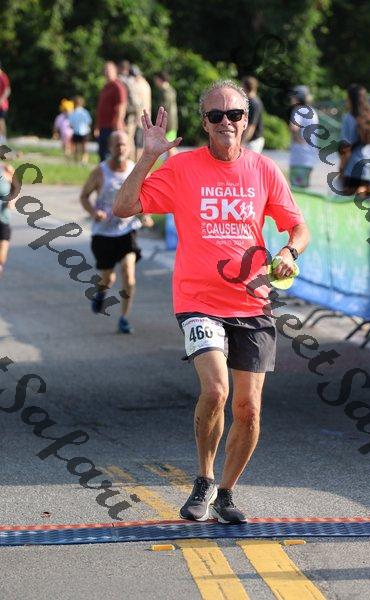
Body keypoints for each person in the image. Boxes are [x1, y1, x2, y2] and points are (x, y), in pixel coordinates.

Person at [113, 80, 309, 523]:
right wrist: (148, 156)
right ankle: (203, 478)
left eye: (234, 114)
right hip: (198, 299)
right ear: (204, 122)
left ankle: (226, 492)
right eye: (215, 115)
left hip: (253, 302)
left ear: (247, 120)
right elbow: (124, 207)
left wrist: (288, 252)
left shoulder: (263, 170)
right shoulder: (183, 168)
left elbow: (298, 228)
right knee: (217, 389)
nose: (226, 122)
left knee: (249, 409)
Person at [80, 130, 153, 333]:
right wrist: (93, 212)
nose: (120, 148)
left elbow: (146, 197)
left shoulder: (135, 170)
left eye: (123, 145)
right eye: (116, 145)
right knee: (108, 278)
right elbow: (84, 196)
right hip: (103, 234)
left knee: (128, 275)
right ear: (109, 148)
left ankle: (124, 318)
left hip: (127, 231)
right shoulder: (100, 172)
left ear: (129, 148)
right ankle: (101, 292)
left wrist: (145, 215)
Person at [339, 84, 370, 196]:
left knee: (348, 204)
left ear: (351, 100)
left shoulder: (349, 118)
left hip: (353, 169)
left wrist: (341, 168)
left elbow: (346, 148)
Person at [94, 62, 127, 162]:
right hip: (103, 125)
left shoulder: (118, 87)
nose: (107, 73)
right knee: (102, 153)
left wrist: (118, 122)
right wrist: (97, 126)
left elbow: (121, 105)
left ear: (115, 71)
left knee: (110, 154)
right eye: (105, 70)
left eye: (109, 70)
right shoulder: (105, 87)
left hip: (112, 126)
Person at [288, 85, 319, 188]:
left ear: (298, 98)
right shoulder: (312, 111)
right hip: (310, 157)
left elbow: (294, 127)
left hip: (299, 157)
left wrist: (297, 139)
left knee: (297, 189)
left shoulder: (299, 110)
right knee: (304, 188)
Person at [153, 72, 178, 158]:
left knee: (170, 147)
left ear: (160, 79)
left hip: (168, 124)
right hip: (172, 122)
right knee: (171, 146)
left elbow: (163, 109)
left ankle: (175, 162)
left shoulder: (165, 92)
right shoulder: (171, 90)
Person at [0, 162, 16, 277]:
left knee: (2, 257)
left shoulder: (5, 169)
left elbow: (16, 186)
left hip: (3, 219)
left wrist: (12, 199)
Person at [241, 76, 265, 153]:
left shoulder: (254, 104)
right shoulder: (251, 102)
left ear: (245, 87)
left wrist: (242, 143)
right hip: (251, 140)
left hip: (253, 141)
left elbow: (251, 126)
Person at [69, 96, 92, 164]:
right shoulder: (85, 112)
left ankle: (76, 159)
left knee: (76, 146)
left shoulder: (73, 112)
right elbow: (89, 122)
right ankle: (84, 159)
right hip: (85, 131)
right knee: (84, 146)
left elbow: (71, 124)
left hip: (76, 131)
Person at [0, 61, 11, 145]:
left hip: (2, 105)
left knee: (1, 121)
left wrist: (2, 99)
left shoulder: (2, 76)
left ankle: (3, 140)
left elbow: (7, 90)